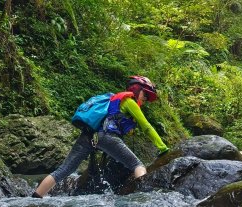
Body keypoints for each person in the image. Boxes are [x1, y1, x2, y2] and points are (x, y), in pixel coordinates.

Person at [33, 75, 169, 198]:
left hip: (89, 135)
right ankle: (144, 198)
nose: (145, 99)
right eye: (145, 94)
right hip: (107, 136)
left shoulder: (112, 100)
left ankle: (36, 197)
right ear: (137, 89)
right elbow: (146, 127)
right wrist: (162, 147)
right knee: (137, 165)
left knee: (65, 169)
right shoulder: (129, 102)